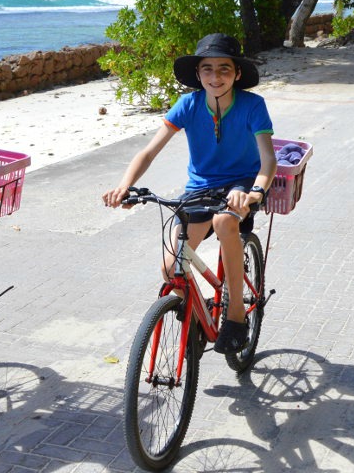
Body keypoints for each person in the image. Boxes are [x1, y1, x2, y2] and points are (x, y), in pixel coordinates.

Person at [103, 33, 277, 354]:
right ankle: (195, 319)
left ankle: (236, 315)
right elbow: (150, 151)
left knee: (226, 222)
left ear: (237, 74)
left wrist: (254, 193)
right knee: (171, 268)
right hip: (200, 189)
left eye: (224, 69)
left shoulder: (253, 106)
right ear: (198, 74)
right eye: (207, 69)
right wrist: (125, 184)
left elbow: (269, 159)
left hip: (242, 185)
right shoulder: (188, 105)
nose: (215, 76)